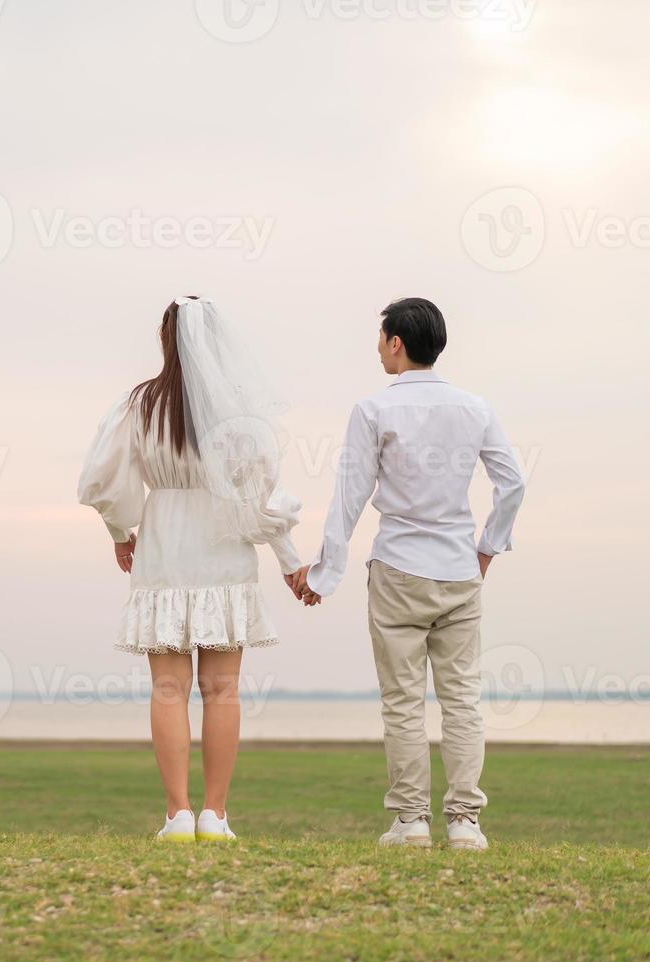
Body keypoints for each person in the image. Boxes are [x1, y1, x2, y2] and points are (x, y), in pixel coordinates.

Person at [293, 298, 525, 851]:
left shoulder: (373, 410)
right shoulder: (474, 408)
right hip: (459, 570)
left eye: (380, 337)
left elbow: (350, 496)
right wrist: (487, 549)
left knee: (402, 700)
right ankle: (466, 822)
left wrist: (323, 574)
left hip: (398, 567)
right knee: (462, 699)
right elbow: (513, 483)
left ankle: (411, 822)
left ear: (397, 342)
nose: (377, 346)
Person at [79, 296, 304, 843]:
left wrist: (119, 533)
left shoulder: (140, 403)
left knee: (168, 690)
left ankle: (177, 814)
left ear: (166, 339)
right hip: (223, 548)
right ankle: (215, 815)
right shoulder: (239, 413)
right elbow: (263, 497)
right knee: (223, 689)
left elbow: (104, 479)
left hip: (163, 546)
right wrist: (291, 563)